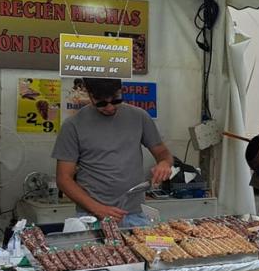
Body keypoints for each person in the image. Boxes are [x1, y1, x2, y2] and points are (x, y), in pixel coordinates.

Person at [52, 78, 173, 227]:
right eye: (101, 103)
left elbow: (162, 152)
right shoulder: (73, 125)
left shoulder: (139, 116)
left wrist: (164, 163)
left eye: (116, 100)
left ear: (121, 90)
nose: (109, 108)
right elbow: (64, 179)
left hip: (134, 213)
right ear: (89, 95)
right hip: (92, 216)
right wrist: (97, 209)